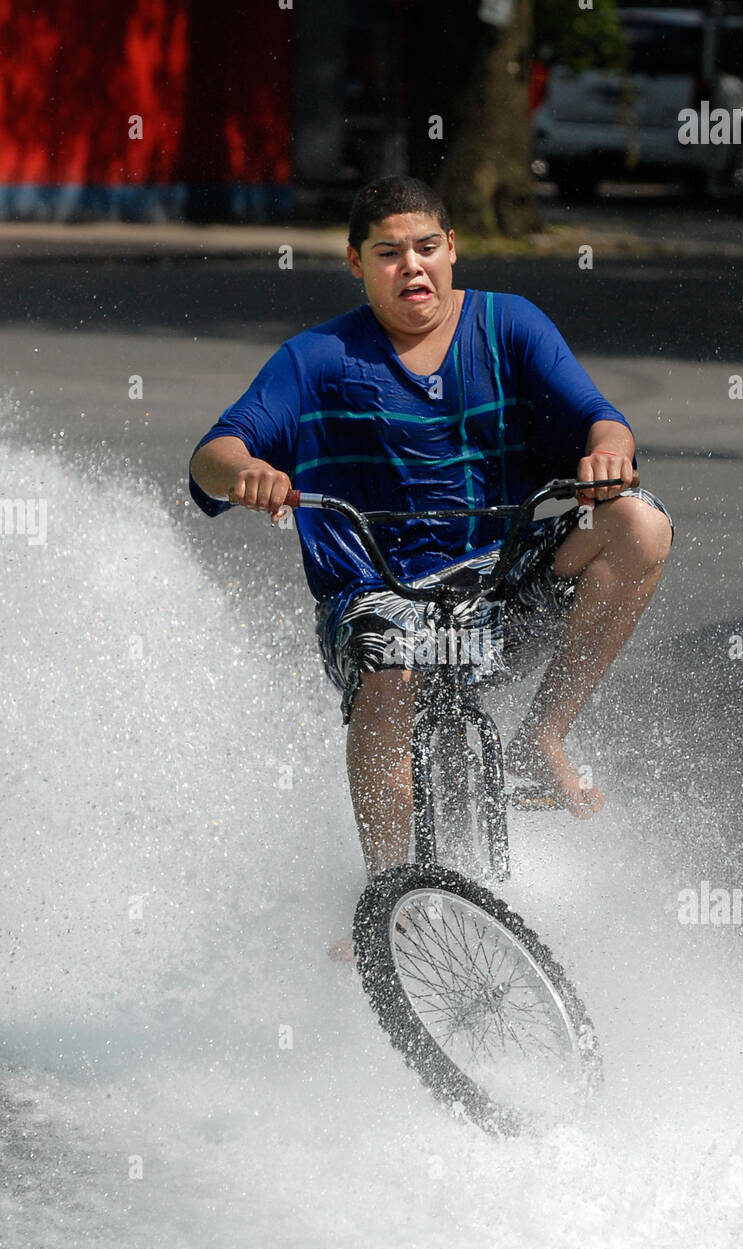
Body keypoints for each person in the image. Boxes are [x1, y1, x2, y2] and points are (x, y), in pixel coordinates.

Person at [189, 176, 673, 880]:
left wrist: (610, 453)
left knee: (638, 522)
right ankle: (394, 894)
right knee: (390, 676)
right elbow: (212, 454)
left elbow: (600, 419)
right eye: (388, 252)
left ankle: (543, 734)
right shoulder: (317, 358)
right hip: (375, 598)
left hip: (500, 587)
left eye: (425, 247)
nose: (410, 266)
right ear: (356, 263)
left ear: (452, 249)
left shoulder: (510, 326)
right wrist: (244, 473)